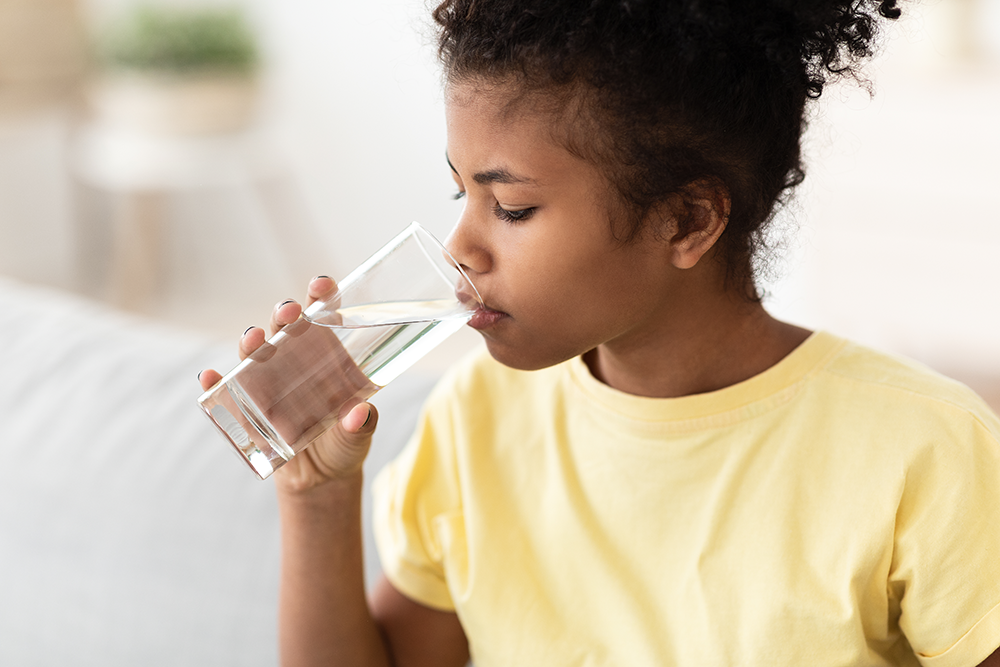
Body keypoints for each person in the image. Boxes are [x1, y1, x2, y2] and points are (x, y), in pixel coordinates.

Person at [199, 1, 1000, 665]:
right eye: (460, 197)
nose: (460, 250)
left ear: (687, 220)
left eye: (510, 208)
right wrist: (316, 497)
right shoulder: (474, 420)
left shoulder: (925, 452)